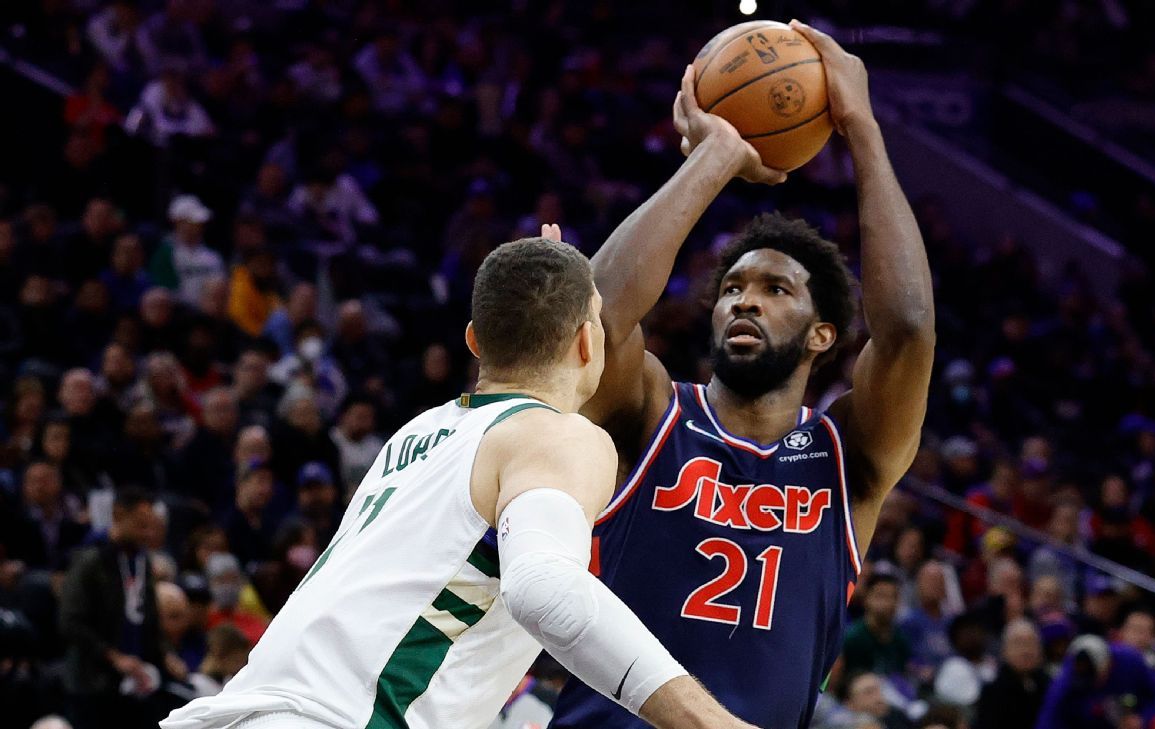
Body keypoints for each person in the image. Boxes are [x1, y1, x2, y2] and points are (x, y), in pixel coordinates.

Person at [162, 238, 755, 728]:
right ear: (585, 341)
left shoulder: (419, 433)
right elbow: (545, 588)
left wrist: (547, 277)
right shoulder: (559, 435)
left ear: (474, 340)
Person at [552, 21, 935, 728]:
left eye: (775, 289)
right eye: (732, 288)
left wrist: (863, 129)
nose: (744, 301)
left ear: (824, 335)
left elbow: (908, 328)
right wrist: (717, 156)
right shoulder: (652, 411)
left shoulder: (847, 454)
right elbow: (592, 317)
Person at [59, 488, 167, 729]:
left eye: (151, 527)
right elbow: (70, 622)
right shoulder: (90, 560)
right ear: (118, 515)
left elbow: (147, 618)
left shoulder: (142, 562)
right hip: (92, 686)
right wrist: (114, 657)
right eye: (141, 526)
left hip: (133, 686)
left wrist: (165, 654)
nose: (148, 534)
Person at [1036, 635, 1155, 729]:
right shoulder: (1068, 677)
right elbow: (1049, 716)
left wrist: (1142, 718)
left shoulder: (1131, 661)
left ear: (1108, 663)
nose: (1093, 683)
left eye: (1095, 676)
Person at [975, 619, 1048, 729]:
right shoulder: (993, 693)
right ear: (1004, 650)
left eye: (1031, 643)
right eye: (1018, 643)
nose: (1026, 650)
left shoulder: (1049, 686)